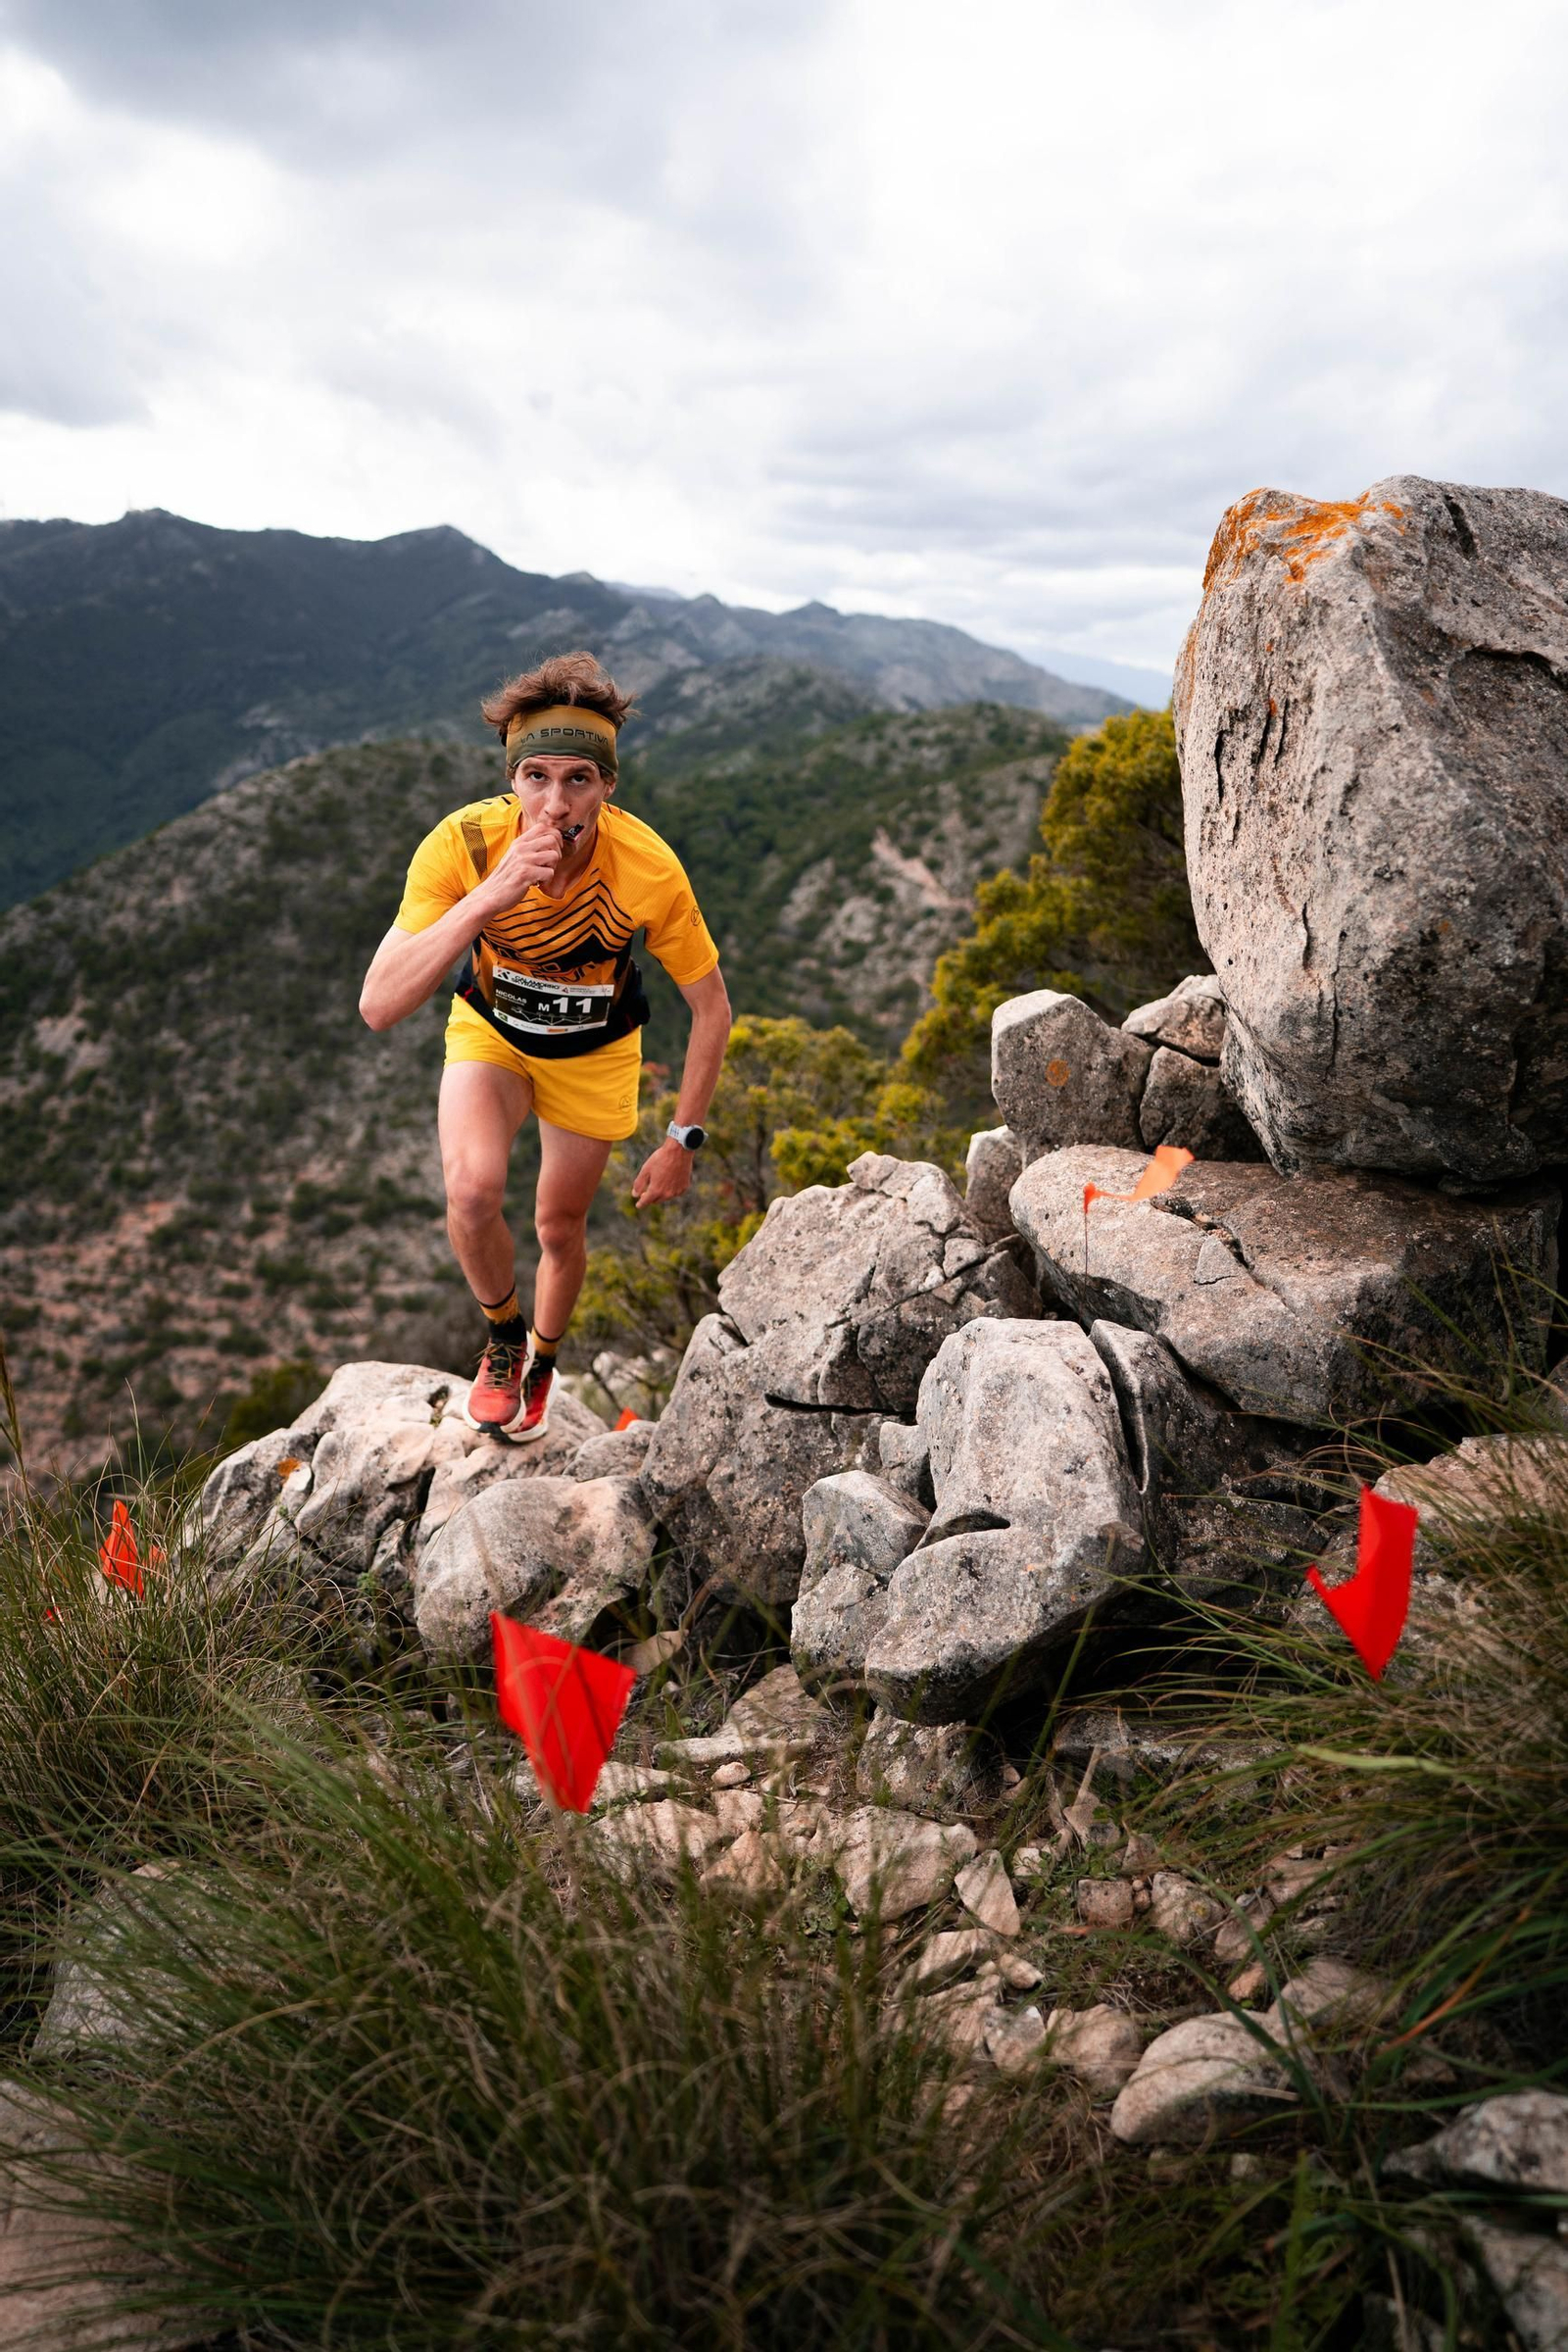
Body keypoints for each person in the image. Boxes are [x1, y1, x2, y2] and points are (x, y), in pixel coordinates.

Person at [359, 652, 731, 1440]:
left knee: (559, 1227)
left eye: (578, 780)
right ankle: (502, 1338)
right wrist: (493, 894)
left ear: (608, 786)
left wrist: (683, 1139)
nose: (555, 802)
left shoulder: (648, 868)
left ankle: (545, 1361)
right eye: (536, 777)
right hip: (492, 1032)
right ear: (512, 778)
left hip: (595, 1051)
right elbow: (380, 1003)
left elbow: (711, 1006)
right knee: (470, 1191)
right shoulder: (463, 843)